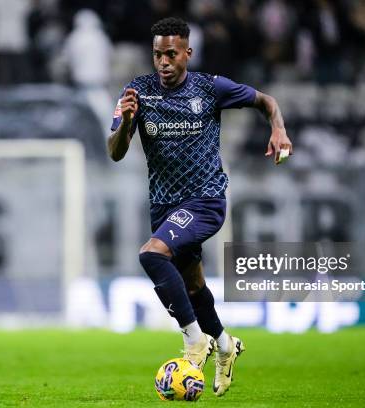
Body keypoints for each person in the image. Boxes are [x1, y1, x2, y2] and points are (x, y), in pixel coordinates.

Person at [107, 17, 292, 397]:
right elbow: (115, 152)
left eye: (171, 54)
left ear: (187, 53)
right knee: (192, 287)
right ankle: (225, 345)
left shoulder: (211, 88)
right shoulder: (136, 92)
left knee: (152, 254)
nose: (163, 62)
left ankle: (195, 341)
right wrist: (126, 122)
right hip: (163, 204)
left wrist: (278, 128)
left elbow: (266, 101)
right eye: (157, 54)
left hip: (205, 199)